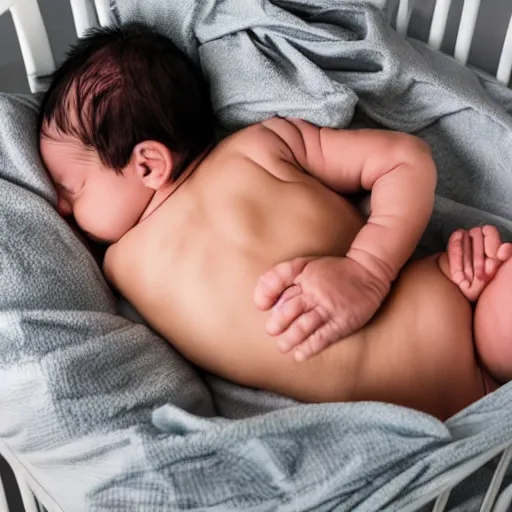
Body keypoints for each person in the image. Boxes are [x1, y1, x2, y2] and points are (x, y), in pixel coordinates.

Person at [38, 23, 512, 421]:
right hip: (408, 431)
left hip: (461, 315)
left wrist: (367, 270)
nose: (58, 207)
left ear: (147, 165)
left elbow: (405, 159)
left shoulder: (261, 147)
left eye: (70, 188)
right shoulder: (115, 266)